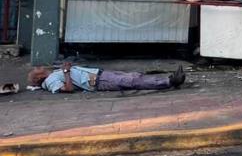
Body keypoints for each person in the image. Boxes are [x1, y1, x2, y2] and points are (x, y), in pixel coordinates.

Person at [27, 63, 186, 93]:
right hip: (97, 82)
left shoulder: (53, 74)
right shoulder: (50, 82)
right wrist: (67, 72)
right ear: (38, 77)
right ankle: (170, 81)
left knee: (134, 77)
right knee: (131, 81)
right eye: (38, 69)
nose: (40, 67)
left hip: (98, 74)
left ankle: (170, 78)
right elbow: (68, 88)